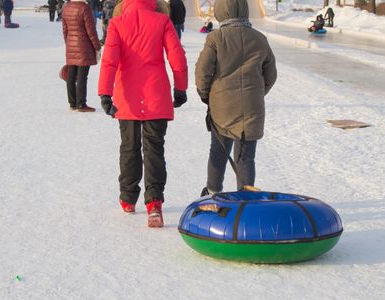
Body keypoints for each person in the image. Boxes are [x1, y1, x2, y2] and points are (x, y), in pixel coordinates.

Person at [98, 0, 188, 228]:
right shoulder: (162, 20)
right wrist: (180, 88)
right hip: (155, 93)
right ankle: (154, 203)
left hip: (126, 95)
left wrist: (105, 94)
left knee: (129, 146)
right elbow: (177, 57)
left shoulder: (117, 23)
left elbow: (109, 61)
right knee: (154, 147)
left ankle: (128, 198)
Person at [195, 0, 277, 196]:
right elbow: (271, 74)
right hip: (252, 107)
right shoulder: (259, 39)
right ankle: (246, 196)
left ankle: (213, 191)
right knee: (246, 156)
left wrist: (207, 95)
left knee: (219, 150)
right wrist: (256, 93)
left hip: (222, 106)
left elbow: (202, 73)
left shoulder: (215, 38)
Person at [62, 0, 101, 111]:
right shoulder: (85, 7)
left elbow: (65, 30)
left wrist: (68, 43)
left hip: (71, 44)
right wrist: (97, 47)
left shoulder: (66, 7)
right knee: (82, 76)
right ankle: (81, 104)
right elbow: (91, 31)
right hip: (84, 46)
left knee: (71, 75)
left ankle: (72, 102)